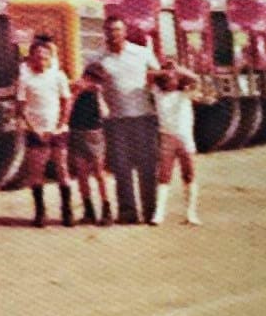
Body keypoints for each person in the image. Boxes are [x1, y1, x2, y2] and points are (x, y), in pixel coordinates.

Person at [92, 14, 160, 224]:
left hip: (144, 117)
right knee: (121, 167)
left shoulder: (142, 53)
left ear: (125, 32)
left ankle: (151, 210)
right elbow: (90, 84)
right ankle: (127, 211)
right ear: (105, 33)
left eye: (117, 30)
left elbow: (158, 78)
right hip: (116, 120)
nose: (114, 34)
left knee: (147, 166)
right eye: (110, 30)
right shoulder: (97, 58)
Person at [16, 35, 73, 227]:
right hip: (35, 132)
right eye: (37, 56)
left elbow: (66, 102)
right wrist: (34, 130)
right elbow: (21, 108)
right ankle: (40, 212)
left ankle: (67, 211)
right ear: (31, 58)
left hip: (57, 131)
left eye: (45, 56)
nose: (41, 59)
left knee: (62, 169)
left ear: (50, 57)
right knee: (36, 172)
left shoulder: (58, 76)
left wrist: (59, 125)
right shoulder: (25, 79)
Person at [152, 62, 202, 225]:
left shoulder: (185, 93)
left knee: (188, 174)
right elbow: (149, 76)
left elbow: (196, 79)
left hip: (185, 137)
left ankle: (191, 213)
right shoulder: (158, 92)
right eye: (167, 77)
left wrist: (179, 69)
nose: (170, 80)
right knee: (164, 175)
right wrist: (166, 70)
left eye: (173, 78)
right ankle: (159, 214)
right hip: (167, 137)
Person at [70, 62, 113, 225]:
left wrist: (98, 94)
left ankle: (106, 209)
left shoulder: (98, 93)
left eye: (95, 80)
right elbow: (68, 107)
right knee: (81, 174)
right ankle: (89, 211)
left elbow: (105, 113)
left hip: (94, 133)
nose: (91, 82)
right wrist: (77, 91)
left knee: (99, 173)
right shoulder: (76, 87)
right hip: (77, 131)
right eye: (89, 77)